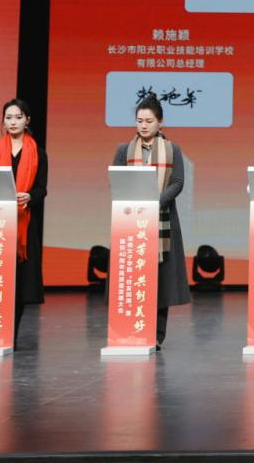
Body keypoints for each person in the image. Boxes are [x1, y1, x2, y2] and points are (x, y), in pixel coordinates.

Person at [112, 93, 190, 347]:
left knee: (161, 278)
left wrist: (155, 203)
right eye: (139, 121)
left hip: (162, 220)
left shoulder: (172, 149)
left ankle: (156, 334)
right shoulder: (123, 150)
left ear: (160, 122)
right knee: (132, 273)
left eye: (149, 121)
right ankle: (130, 328)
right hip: (130, 222)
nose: (143, 126)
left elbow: (177, 182)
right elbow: (116, 181)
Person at [0, 98, 47, 349]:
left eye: (18, 117)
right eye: (8, 118)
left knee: (19, 285)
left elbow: (42, 190)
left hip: (23, 226)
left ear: (27, 120)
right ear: (3, 121)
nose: (13, 122)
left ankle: (9, 336)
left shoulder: (38, 153)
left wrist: (30, 196)